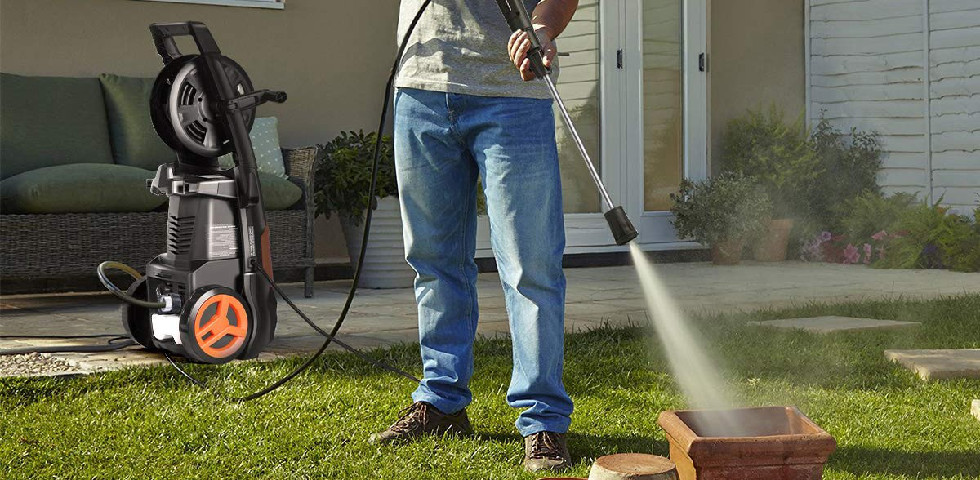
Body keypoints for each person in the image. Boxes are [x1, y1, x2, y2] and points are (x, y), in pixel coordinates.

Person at [369, 0, 580, 472]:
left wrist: (542, 28)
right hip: (421, 87)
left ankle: (543, 418)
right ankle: (441, 400)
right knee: (433, 258)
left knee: (531, 266)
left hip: (514, 95)